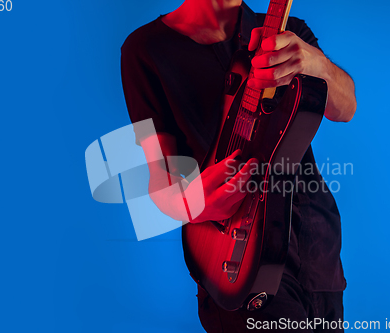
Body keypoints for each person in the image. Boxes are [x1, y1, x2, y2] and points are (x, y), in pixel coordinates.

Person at [121, 0, 356, 331]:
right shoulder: (144, 50)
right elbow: (160, 175)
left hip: (317, 250)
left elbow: (346, 107)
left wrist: (315, 62)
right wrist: (191, 204)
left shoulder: (290, 31)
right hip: (233, 255)